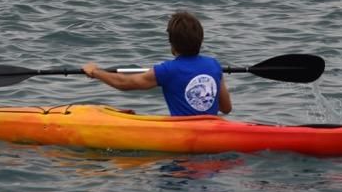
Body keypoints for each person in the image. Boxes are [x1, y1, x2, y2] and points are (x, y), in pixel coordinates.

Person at [82, 11, 232, 117]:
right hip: (211, 131)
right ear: (200, 40)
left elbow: (124, 83)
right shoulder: (214, 65)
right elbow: (226, 108)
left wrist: (95, 72)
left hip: (183, 137)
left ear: (172, 44)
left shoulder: (167, 70)